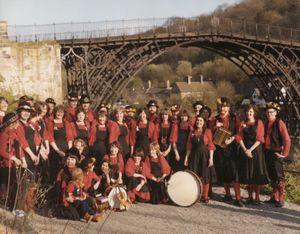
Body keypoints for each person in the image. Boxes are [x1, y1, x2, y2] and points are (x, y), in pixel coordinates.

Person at [209, 97, 242, 206]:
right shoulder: (215, 119)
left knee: (234, 173)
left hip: (231, 149)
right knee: (223, 172)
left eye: (225, 106)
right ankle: (227, 195)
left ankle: (237, 198)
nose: (223, 108)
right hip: (219, 149)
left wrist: (232, 139)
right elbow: (209, 133)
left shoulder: (234, 118)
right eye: (221, 106)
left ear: (228, 107)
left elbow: (239, 132)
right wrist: (215, 127)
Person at [236, 104, 269, 205]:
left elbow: (260, 138)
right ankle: (250, 197)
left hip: (256, 151)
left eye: (251, 111)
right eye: (247, 111)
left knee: (256, 174)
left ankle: (257, 198)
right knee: (248, 174)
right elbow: (239, 137)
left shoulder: (259, 123)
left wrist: (250, 150)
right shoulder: (243, 123)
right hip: (245, 150)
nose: (249, 113)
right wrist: (245, 149)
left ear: (254, 112)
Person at [264, 102, 291, 207]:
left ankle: (281, 198)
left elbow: (287, 139)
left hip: (276, 152)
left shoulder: (279, 123)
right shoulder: (266, 123)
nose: (269, 113)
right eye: (268, 112)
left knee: (279, 177)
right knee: (272, 176)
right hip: (267, 152)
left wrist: (284, 154)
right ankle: (274, 197)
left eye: (272, 112)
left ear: (275, 113)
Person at [184, 115, 216, 203]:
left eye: (201, 121)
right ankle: (196, 195)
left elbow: (211, 146)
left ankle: (205, 196)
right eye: (198, 120)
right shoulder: (192, 132)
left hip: (205, 156)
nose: (199, 122)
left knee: (205, 176)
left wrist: (211, 159)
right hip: (194, 156)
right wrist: (186, 158)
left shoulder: (207, 131)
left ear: (204, 122)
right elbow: (189, 146)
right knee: (194, 175)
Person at [0, 112, 26, 208]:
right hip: (5, 165)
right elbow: (1, 151)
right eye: (17, 121)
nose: (18, 123)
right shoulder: (3, 134)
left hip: (13, 165)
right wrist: (14, 158)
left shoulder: (14, 133)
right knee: (4, 187)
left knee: (13, 186)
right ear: (12, 123)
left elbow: (18, 148)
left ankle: (11, 206)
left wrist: (22, 160)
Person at [47, 105, 73, 183]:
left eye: (61, 112)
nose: (59, 113)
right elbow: (50, 138)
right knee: (55, 171)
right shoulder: (51, 123)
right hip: (55, 150)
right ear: (55, 112)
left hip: (65, 149)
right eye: (58, 112)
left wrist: (69, 151)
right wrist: (57, 150)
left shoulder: (67, 123)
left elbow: (70, 138)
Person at [16, 101, 39, 173]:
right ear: (19, 112)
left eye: (28, 112)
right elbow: (22, 141)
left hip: (34, 154)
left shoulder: (30, 124)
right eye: (24, 111)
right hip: (25, 154)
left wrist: (37, 155)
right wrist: (31, 155)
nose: (26, 114)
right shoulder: (18, 124)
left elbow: (36, 139)